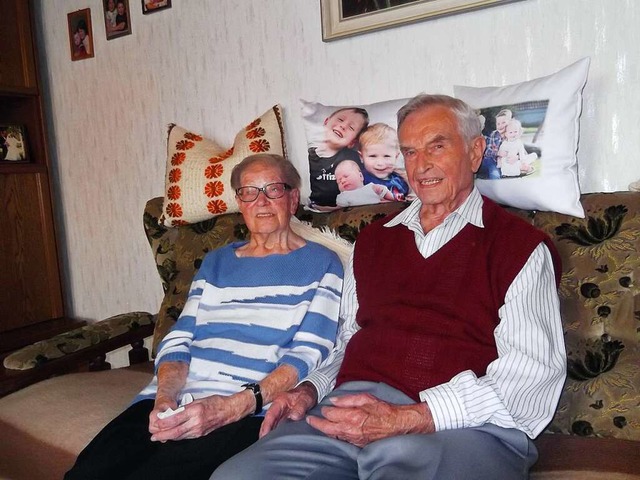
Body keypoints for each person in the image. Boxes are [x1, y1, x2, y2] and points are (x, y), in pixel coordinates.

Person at [211, 95, 566, 480]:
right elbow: (350, 340)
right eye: (410, 152)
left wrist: (412, 416)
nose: (422, 164)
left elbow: (530, 376)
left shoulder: (519, 247)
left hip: (462, 427)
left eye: (438, 146)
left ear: (476, 152)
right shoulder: (374, 241)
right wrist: (310, 390)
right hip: (349, 409)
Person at [64, 154, 344, 480]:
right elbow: (181, 337)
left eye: (273, 189)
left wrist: (234, 406)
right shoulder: (217, 261)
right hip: (173, 400)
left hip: (245, 411)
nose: (262, 201)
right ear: (240, 202)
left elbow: (309, 353)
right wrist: (164, 399)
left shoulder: (323, 263)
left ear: (293, 198)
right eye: (249, 191)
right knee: (87, 473)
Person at [308, 107, 369, 209]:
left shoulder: (352, 157)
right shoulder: (310, 156)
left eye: (351, 128)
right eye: (340, 119)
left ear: (352, 142)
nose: (343, 126)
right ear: (326, 121)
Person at [358, 123, 409, 201]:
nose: (380, 163)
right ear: (361, 157)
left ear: (396, 156)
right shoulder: (360, 179)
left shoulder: (401, 181)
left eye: (387, 156)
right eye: (373, 156)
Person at [480, 108, 512, 179]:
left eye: (503, 123)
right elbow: (487, 152)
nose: (500, 126)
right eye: (498, 124)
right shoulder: (494, 134)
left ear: (509, 123)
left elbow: (520, 150)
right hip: (491, 160)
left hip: (506, 162)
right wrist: (498, 153)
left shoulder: (512, 135)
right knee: (495, 174)